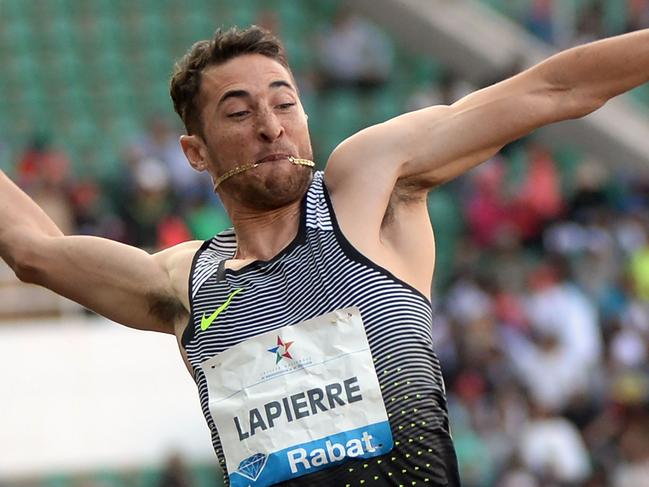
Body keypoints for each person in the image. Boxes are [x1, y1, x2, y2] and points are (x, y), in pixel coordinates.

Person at [2, 24, 649, 487]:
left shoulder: (364, 188)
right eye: (239, 111)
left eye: (284, 101)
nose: (270, 124)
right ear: (195, 151)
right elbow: (34, 252)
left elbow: (551, 88)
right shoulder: (183, 282)